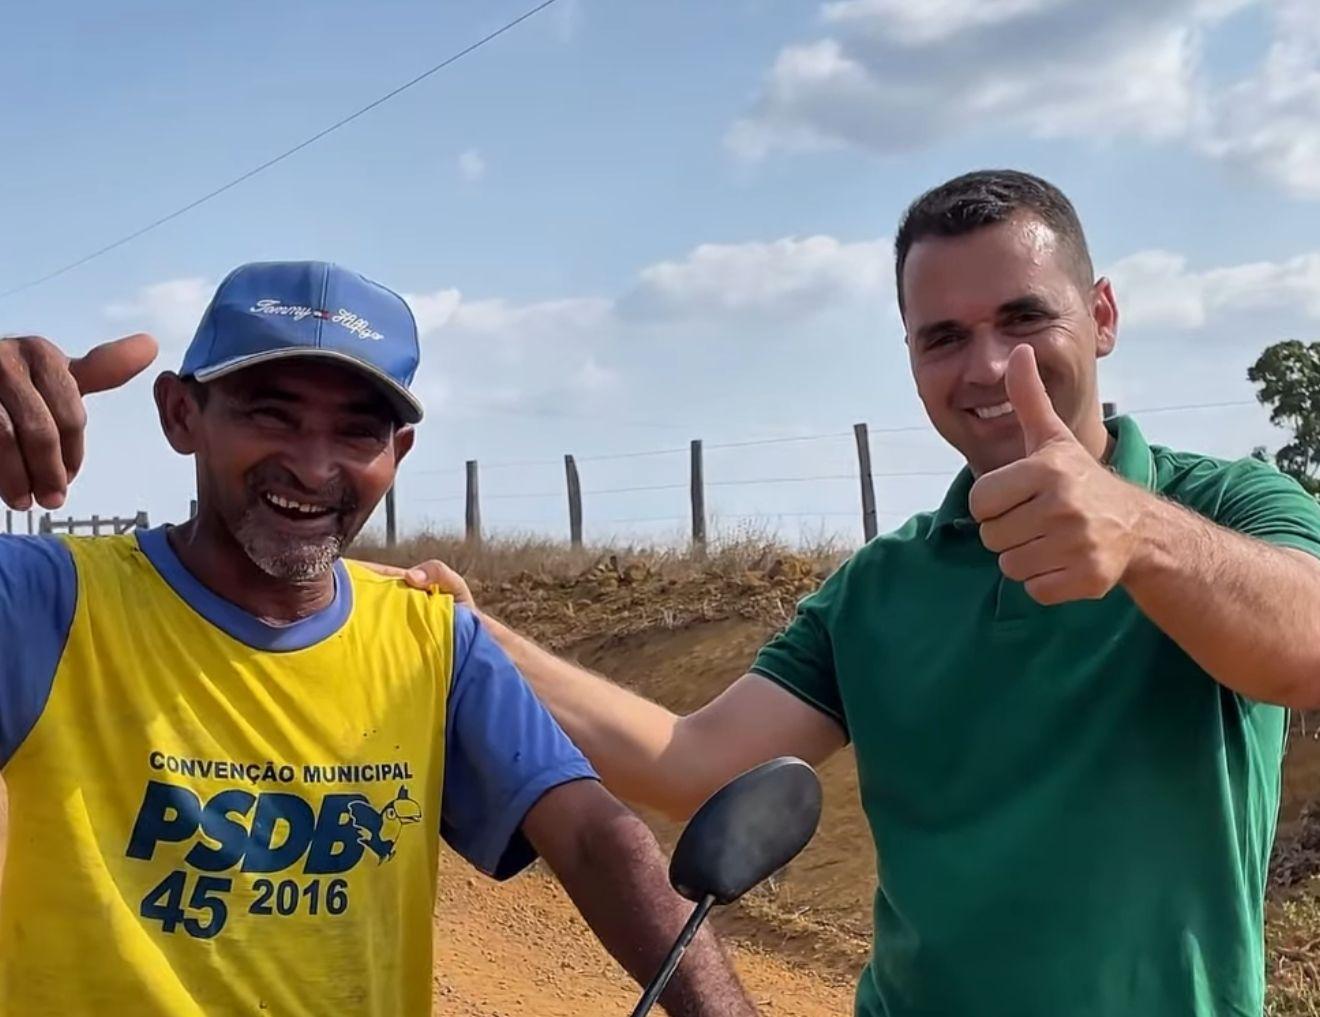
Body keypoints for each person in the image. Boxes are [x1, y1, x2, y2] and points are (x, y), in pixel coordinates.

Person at [388, 170, 1320, 1016]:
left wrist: (1137, 532)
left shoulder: (1224, 507)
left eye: (1024, 318)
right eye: (944, 337)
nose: (989, 367)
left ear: (1104, 313)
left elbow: (1306, 647)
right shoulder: (880, 587)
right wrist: (479, 636)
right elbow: (690, 761)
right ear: (911, 355)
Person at [0, 261, 757, 1016]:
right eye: (272, 413)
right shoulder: (42, 600)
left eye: (356, 430)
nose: (313, 463)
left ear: (397, 451)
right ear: (180, 413)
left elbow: (594, 838)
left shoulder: (431, 635)